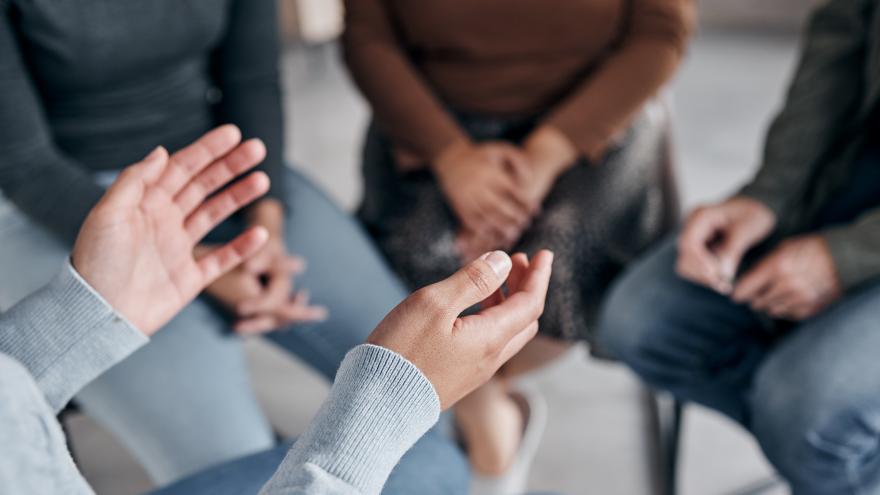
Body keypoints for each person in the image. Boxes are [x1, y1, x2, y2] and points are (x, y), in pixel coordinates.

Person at [0, 0, 467, 488]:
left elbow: (253, 80)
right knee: (239, 469)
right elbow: (23, 164)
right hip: (57, 201)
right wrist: (207, 269)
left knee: (425, 380)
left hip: (221, 169)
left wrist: (265, 227)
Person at [0, 126, 555, 495]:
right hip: (61, 211)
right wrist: (380, 409)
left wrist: (83, 312)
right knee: (432, 469)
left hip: (201, 208)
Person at [342, 0, 695, 487]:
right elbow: (367, 39)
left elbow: (659, 35)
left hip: (592, 118)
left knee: (554, 268)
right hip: (431, 122)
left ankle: (467, 408)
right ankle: (491, 433)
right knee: (422, 263)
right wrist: (452, 157)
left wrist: (547, 154)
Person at [596, 0, 880, 492]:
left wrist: (849, 256)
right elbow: (839, 43)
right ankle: (826, 454)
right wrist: (769, 196)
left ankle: (824, 449)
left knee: (807, 409)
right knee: (642, 322)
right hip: (853, 175)